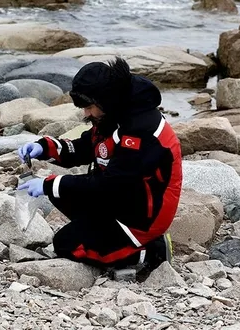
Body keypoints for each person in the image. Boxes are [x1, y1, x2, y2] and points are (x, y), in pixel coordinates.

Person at [17, 57, 182, 274]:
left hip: (142, 217)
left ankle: (152, 250)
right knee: (61, 192)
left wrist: (50, 184)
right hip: (122, 199)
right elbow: (88, 146)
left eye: (88, 107)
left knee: (65, 243)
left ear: (106, 100)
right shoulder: (114, 112)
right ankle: (102, 234)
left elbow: (110, 184)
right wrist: (45, 148)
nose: (86, 113)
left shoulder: (142, 131)